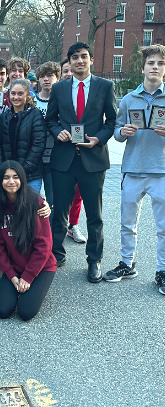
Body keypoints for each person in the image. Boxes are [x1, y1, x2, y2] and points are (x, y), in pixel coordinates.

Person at [45, 41, 117, 282]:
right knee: (59, 213)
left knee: (94, 215)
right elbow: (50, 119)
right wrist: (58, 132)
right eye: (74, 57)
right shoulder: (59, 88)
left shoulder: (105, 86)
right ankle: (56, 254)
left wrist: (99, 139)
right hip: (64, 159)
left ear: (91, 60)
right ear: (69, 62)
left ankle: (94, 260)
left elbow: (112, 121)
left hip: (93, 160)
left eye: (84, 56)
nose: (79, 61)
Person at [103, 44, 165, 294]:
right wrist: (122, 132)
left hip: (161, 171)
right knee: (127, 223)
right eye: (151, 63)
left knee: (163, 227)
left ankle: (162, 270)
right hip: (133, 169)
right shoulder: (129, 99)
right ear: (143, 68)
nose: (155, 67)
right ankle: (127, 263)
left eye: (160, 63)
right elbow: (116, 131)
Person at [0, 161, 57, 321]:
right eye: (6, 178)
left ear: (22, 179)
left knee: (25, 312)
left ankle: (36, 287)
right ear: (0, 181)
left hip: (41, 267)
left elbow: (44, 246)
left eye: (15, 177)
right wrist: (11, 275)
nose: (11, 182)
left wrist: (28, 277)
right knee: (3, 311)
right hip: (14, 267)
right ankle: (19, 287)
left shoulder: (36, 203)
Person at [0, 79, 46, 193]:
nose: (16, 97)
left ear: (28, 95)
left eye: (20, 94)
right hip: (8, 175)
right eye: (13, 93)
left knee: (28, 208)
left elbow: (38, 145)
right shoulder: (4, 117)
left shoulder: (35, 114)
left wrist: (22, 170)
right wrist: (3, 169)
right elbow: (0, 146)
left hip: (30, 175)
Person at [59, 59, 86, 242]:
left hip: (83, 149)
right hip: (59, 150)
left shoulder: (84, 91)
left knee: (78, 193)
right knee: (58, 195)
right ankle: (55, 228)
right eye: (65, 71)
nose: (68, 73)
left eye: (70, 70)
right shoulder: (58, 92)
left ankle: (73, 224)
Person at [34, 61, 61, 209]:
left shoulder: (63, 102)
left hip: (54, 158)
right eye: (42, 76)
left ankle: (50, 232)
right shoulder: (32, 102)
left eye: (50, 76)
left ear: (57, 78)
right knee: (32, 199)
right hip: (35, 158)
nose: (46, 79)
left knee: (52, 200)